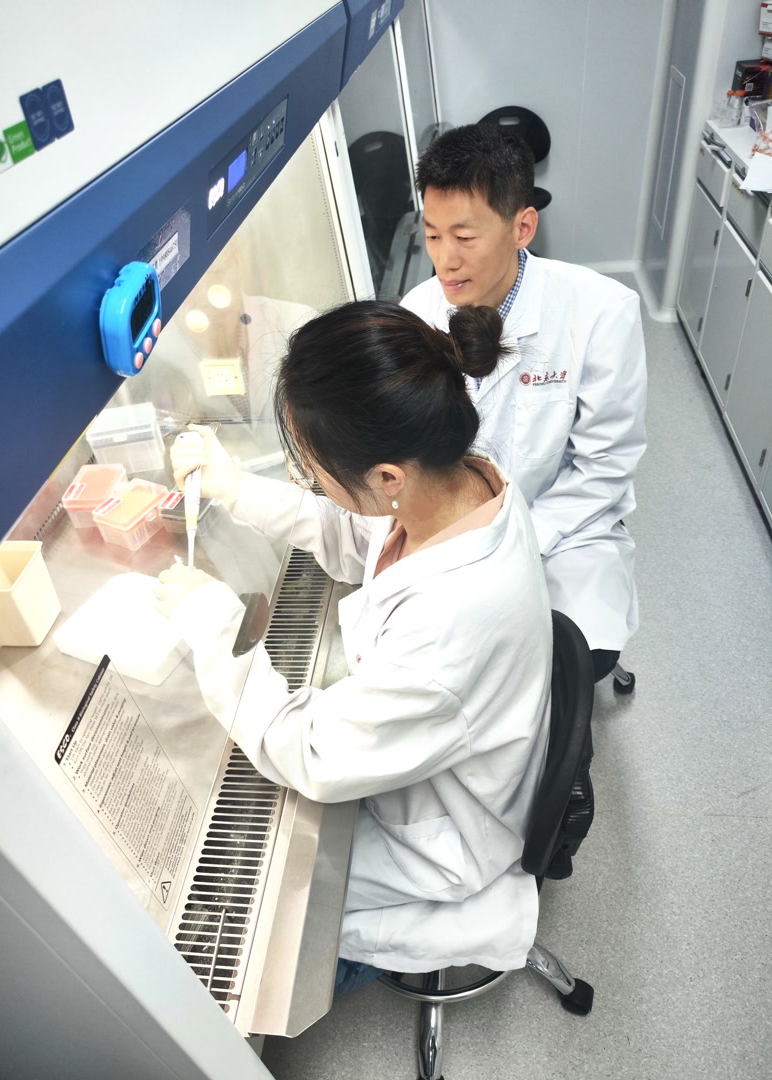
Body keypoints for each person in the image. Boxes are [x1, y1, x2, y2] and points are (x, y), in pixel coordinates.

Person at [156, 300, 552, 992]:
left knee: (262, 903)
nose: (313, 484)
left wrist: (215, 628)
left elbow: (311, 755)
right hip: (446, 751)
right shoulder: (458, 481)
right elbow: (356, 535)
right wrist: (237, 489)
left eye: (316, 472)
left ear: (388, 477)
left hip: (445, 834)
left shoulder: (450, 621)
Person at [401, 123, 647, 681]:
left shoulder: (601, 313)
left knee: (563, 662)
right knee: (445, 668)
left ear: (522, 227)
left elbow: (604, 468)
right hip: (453, 532)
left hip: (565, 534)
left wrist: (512, 544)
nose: (444, 260)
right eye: (432, 235)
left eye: (464, 237)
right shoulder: (417, 315)